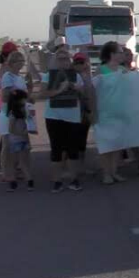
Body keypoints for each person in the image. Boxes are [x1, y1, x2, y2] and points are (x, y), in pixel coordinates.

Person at [39, 47, 94, 193]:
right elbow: (42, 93)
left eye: (66, 59)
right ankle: (57, 181)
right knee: (56, 149)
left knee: (72, 149)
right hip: (54, 116)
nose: (63, 62)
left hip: (72, 116)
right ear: (55, 61)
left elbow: (85, 93)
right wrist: (59, 90)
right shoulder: (48, 75)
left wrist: (77, 88)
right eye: (60, 59)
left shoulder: (76, 76)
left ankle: (74, 179)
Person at [95, 41, 127, 184]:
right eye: (120, 52)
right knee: (105, 144)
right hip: (105, 111)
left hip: (120, 110)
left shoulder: (123, 70)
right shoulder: (101, 70)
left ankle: (114, 172)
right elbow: (94, 90)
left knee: (117, 144)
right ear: (112, 54)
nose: (122, 54)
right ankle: (106, 173)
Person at [5, 89, 35, 191]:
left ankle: (13, 183)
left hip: (15, 141)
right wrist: (24, 133)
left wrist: (21, 133)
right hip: (23, 139)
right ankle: (29, 182)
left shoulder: (13, 114)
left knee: (15, 163)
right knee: (23, 162)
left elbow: (10, 129)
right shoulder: (23, 112)